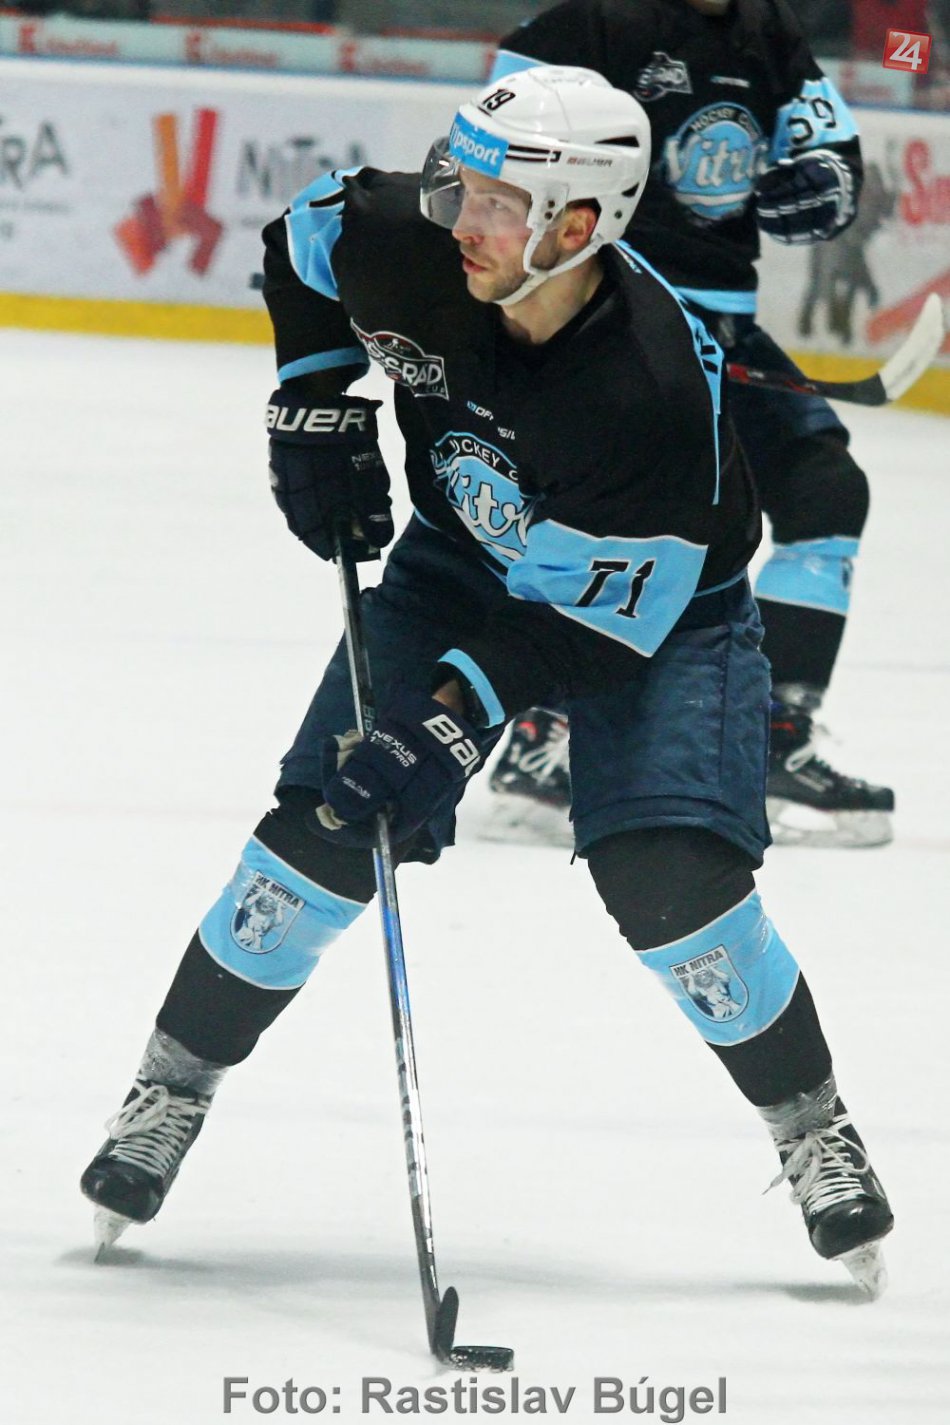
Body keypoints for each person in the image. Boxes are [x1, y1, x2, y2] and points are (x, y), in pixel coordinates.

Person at [80, 65, 892, 1295]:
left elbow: (575, 632)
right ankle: (170, 1089)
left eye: (497, 204)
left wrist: (445, 726)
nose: (460, 219)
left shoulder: (646, 391)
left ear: (578, 225)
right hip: (458, 568)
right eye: (459, 185)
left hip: (655, 618)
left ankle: (808, 1122)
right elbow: (302, 241)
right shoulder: (408, 239)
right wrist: (309, 403)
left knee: (667, 878)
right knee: (321, 833)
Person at [484, 0, 895, 850]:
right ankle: (541, 733)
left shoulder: (768, 31)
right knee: (615, 514)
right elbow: (496, 164)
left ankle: (772, 736)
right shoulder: (589, 26)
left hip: (726, 324)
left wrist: (827, 180)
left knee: (824, 490)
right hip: (615, 311)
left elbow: (830, 147)